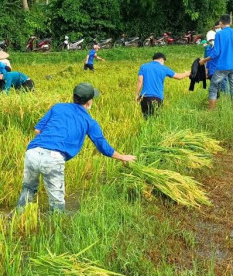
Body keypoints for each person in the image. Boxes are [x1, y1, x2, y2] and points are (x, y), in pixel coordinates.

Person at [16, 83, 136, 212]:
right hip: (53, 158)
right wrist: (122, 157)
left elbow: (37, 130)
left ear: (73, 97)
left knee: (28, 188)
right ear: (89, 102)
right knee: (57, 204)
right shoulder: (89, 121)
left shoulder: (57, 107)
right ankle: (55, 227)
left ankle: (18, 216)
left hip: (33, 151)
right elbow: (102, 145)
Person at [199, 14, 233, 109]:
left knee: (213, 87)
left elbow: (216, 52)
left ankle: (211, 110)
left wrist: (204, 60)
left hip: (223, 66)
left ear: (220, 23)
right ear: (230, 22)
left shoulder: (219, 34)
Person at [136, 52, 190, 118]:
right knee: (155, 120)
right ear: (161, 60)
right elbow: (179, 76)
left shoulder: (143, 66)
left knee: (146, 119)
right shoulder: (164, 68)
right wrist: (186, 74)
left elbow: (140, 81)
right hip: (157, 98)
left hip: (144, 97)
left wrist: (137, 94)